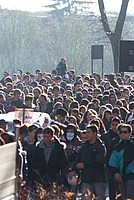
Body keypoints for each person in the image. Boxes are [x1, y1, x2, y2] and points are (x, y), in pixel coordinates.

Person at [69, 125, 106, 199]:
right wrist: (74, 169)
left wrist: (85, 164)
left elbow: (99, 160)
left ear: (95, 133)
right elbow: (78, 159)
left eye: (89, 132)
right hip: (86, 178)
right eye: (86, 133)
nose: (87, 135)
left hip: (98, 178)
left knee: (100, 197)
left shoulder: (100, 146)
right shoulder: (84, 147)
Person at [109, 124, 134, 199]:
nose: (123, 134)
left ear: (130, 133)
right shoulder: (117, 146)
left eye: (125, 132)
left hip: (131, 176)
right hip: (121, 177)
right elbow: (112, 161)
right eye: (121, 132)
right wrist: (115, 172)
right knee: (122, 196)